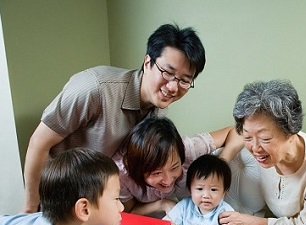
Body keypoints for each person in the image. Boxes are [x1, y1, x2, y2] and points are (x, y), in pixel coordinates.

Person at [23, 23, 206, 213]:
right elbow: (39, 142)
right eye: (168, 73)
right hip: (60, 199)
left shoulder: (157, 110)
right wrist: (30, 208)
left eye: (184, 80)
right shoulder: (94, 88)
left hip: (98, 204)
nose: (173, 87)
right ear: (147, 62)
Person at [218, 79, 306, 225]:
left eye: (265, 139)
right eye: (248, 137)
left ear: (291, 131)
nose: (255, 148)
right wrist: (221, 166)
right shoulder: (258, 143)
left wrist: (253, 223)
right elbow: (235, 134)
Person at [113, 117, 242, 216]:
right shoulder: (121, 173)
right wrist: (162, 204)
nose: (168, 180)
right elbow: (128, 211)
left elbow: (237, 132)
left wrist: (219, 166)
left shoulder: (188, 149)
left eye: (174, 167)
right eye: (157, 173)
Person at [164, 154, 239, 225]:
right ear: (190, 190)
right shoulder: (184, 206)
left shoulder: (226, 212)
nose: (206, 195)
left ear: (224, 192)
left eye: (214, 189)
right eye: (199, 189)